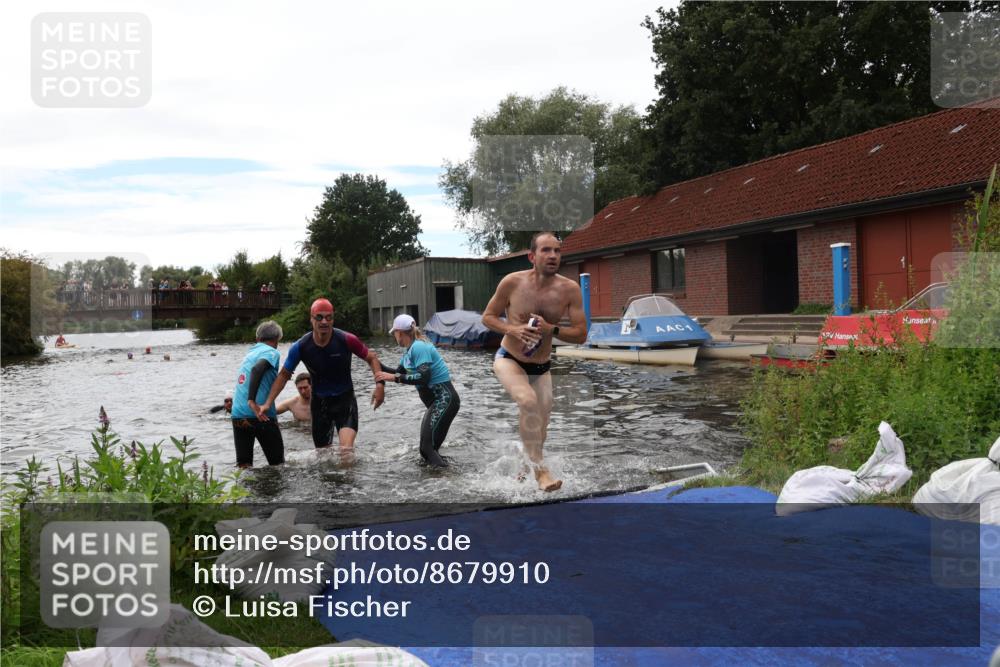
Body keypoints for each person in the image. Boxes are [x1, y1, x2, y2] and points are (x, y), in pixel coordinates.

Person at [481, 232, 588, 492]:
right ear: (532, 256)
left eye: (557, 251)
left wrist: (552, 329)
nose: (553, 256)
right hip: (510, 359)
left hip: (541, 366)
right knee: (527, 401)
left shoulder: (569, 289)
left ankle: (525, 465)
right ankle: (541, 473)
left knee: (541, 426)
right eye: (546, 250)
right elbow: (488, 317)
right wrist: (513, 329)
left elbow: (581, 335)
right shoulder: (512, 282)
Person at [257, 298, 385, 452]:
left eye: (329, 317)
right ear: (311, 319)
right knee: (323, 456)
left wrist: (380, 385)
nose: (324, 321)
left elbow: (372, 358)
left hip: (345, 401)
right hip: (319, 404)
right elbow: (284, 375)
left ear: (333, 319)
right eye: (319, 317)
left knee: (346, 452)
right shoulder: (300, 347)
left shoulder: (347, 339)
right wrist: (268, 403)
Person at [375, 314, 460, 468]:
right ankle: (446, 472)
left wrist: (395, 378)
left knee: (426, 449)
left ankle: (447, 476)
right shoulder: (408, 353)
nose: (394, 336)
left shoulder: (419, 347)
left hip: (444, 400)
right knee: (428, 451)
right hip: (437, 403)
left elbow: (424, 377)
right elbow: (396, 373)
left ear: (399, 332)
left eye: (394, 333)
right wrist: (372, 360)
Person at [231, 321, 285, 468]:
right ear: (277, 340)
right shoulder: (271, 352)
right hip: (260, 413)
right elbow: (257, 369)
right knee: (277, 465)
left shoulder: (249, 353)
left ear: (257, 339)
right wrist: (251, 401)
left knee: (244, 465)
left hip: (237, 414)